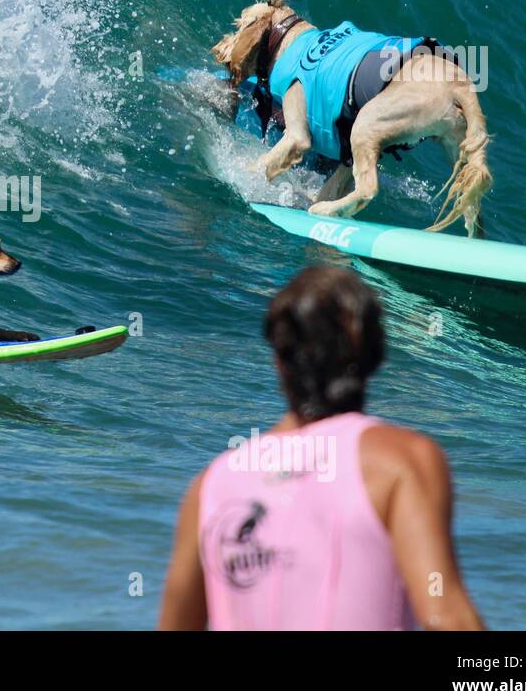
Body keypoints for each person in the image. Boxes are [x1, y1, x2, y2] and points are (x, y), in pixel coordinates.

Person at [158, 265, 483, 631]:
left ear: (279, 360)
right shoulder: (400, 462)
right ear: (375, 354)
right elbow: (447, 617)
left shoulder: (212, 486)